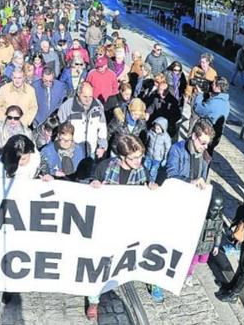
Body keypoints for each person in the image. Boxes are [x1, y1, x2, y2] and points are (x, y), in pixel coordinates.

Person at [87, 134, 153, 318]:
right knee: (98, 262)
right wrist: (94, 183)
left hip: (127, 225)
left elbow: (147, 188)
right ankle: (94, 299)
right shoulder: (105, 167)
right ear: (122, 157)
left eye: (140, 156)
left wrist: (151, 187)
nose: (138, 161)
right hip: (104, 223)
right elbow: (89, 183)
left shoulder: (141, 171)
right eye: (133, 158)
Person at [57, 82, 107, 160]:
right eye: (85, 97)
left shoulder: (98, 106)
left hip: (91, 150)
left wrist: (102, 146)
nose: (88, 100)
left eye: (90, 96)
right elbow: (60, 129)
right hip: (72, 151)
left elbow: (102, 127)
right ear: (78, 93)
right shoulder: (67, 107)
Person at [166, 119, 214, 189]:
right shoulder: (176, 149)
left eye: (208, 144)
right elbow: (171, 176)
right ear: (194, 136)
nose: (206, 147)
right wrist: (191, 182)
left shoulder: (205, 156)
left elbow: (202, 179)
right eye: (203, 143)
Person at [185, 198, 223, 287]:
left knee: (202, 260)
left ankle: (191, 271)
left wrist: (216, 245)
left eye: (219, 210)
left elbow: (218, 233)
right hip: (197, 245)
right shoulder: (200, 216)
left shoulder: (218, 220)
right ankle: (189, 275)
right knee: (192, 261)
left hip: (208, 245)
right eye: (214, 209)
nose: (216, 212)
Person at [0, 105, 33, 170]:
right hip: (1, 165)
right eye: (9, 117)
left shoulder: (27, 132)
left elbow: (31, 152)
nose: (12, 120)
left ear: (20, 117)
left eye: (16, 118)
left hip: (20, 168)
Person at [192, 77, 230, 155]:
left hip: (206, 134)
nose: (211, 86)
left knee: (199, 156)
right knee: (208, 155)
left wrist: (199, 94)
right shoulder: (226, 102)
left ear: (218, 87)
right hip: (217, 136)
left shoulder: (214, 103)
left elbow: (198, 109)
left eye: (213, 84)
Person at [144, 117, 172, 183]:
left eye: (158, 129)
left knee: (153, 171)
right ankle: (144, 180)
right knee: (145, 167)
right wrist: (144, 151)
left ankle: (151, 182)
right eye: (155, 128)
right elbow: (146, 141)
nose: (156, 130)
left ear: (163, 128)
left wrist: (165, 158)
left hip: (158, 158)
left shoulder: (166, 137)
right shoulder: (150, 132)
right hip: (149, 154)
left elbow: (167, 148)